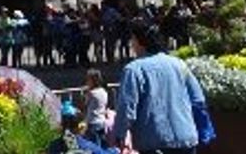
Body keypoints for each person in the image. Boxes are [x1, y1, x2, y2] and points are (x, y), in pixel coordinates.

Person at [111, 21, 205, 154]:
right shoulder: (179, 64)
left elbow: (127, 107)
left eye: (132, 40)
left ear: (139, 41)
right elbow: (198, 98)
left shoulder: (134, 70)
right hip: (186, 137)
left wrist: (118, 135)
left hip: (154, 141)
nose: (131, 44)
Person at [84, 67, 109, 146]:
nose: (86, 82)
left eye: (88, 79)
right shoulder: (104, 91)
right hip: (102, 121)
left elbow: (85, 105)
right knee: (102, 144)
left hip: (92, 122)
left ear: (93, 80)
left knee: (93, 145)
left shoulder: (92, 93)